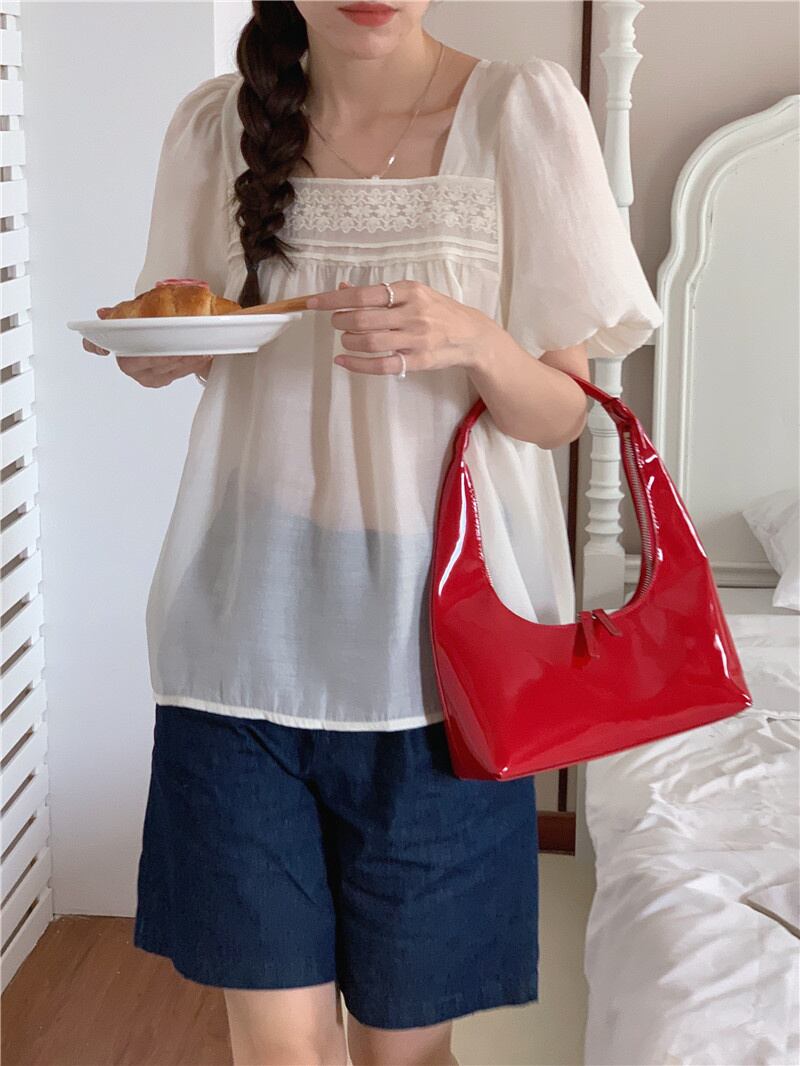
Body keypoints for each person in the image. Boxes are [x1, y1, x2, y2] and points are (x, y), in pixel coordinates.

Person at [84, 2, 662, 1063]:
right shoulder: (217, 126)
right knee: (279, 1050)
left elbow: (560, 413)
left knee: (404, 1053)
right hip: (239, 642)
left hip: (443, 666)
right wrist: (155, 353)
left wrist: (478, 341)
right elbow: (184, 336)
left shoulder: (519, 114)